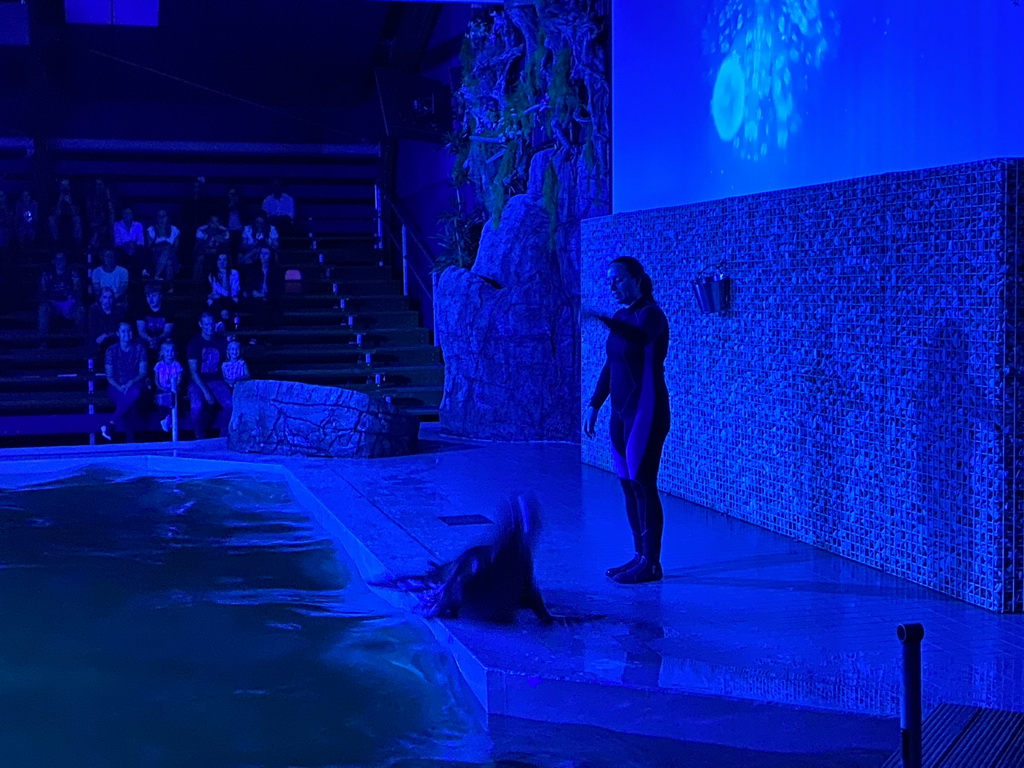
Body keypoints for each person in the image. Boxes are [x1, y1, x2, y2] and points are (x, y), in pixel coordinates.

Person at [583, 256, 670, 584]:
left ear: (637, 279)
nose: (611, 285)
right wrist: (594, 404)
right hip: (620, 415)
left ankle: (652, 563)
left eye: (617, 279)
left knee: (644, 485)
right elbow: (611, 364)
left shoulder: (652, 316)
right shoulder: (620, 316)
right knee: (626, 485)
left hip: (646, 413)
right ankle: (638, 555)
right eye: (609, 280)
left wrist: (600, 318)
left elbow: (634, 337)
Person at [100, 321, 149, 442]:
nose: (126, 333)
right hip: (116, 386)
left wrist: (131, 382)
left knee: (134, 393)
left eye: (129, 330)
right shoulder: (111, 350)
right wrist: (119, 386)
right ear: (118, 334)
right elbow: (110, 376)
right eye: (123, 331)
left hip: (135, 385)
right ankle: (131, 443)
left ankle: (111, 424)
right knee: (129, 402)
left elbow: (143, 372)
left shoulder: (139, 348)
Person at [187, 311, 232, 439]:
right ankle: (199, 435)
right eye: (206, 324)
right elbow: (194, 372)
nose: (209, 327)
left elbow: (228, 362)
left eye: (211, 324)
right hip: (197, 381)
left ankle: (224, 434)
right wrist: (206, 391)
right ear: (200, 324)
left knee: (230, 404)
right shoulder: (194, 343)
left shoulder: (221, 341)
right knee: (196, 406)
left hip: (217, 380)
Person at [38, 251, 85, 344]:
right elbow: (42, 293)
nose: (60, 261)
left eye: (62, 258)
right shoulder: (46, 274)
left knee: (81, 310)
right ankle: (42, 344)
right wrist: (50, 302)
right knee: (43, 309)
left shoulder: (73, 274)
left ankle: (79, 343)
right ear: (53, 261)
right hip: (52, 304)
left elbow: (78, 291)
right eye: (58, 259)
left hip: (69, 304)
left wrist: (73, 302)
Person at [153, 339, 183, 433]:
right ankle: (164, 419)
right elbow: (156, 379)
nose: (169, 353)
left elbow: (179, 379)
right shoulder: (158, 365)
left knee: (175, 399)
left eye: (172, 351)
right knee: (161, 401)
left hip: (174, 389)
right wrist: (161, 388)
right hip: (161, 389)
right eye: (167, 351)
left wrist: (173, 388)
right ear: (162, 352)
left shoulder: (177, 365)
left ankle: (171, 418)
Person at [136, 282, 175, 354]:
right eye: (148, 296)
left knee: (169, 345)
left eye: (154, 295)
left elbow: (167, 332)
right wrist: (150, 339)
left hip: (162, 338)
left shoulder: (168, 309)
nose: (151, 299)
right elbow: (141, 331)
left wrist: (158, 339)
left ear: (160, 296)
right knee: (138, 343)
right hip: (147, 339)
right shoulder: (141, 309)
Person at [86, 286, 124, 357]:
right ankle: (90, 368)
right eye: (105, 297)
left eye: (110, 297)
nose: (108, 300)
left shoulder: (118, 310)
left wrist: (107, 334)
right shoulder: (94, 309)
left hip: (113, 337)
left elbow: (118, 327)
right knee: (92, 348)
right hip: (97, 337)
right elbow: (92, 327)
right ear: (100, 299)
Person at [206, 252, 240, 329]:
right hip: (217, 302)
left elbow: (234, 292)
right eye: (219, 259)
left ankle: (221, 326)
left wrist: (224, 276)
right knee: (220, 306)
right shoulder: (212, 276)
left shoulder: (234, 273)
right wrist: (219, 295)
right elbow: (222, 292)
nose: (222, 262)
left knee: (223, 306)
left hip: (231, 300)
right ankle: (220, 326)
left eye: (224, 260)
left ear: (228, 262)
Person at [193, 214, 230, 282]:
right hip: (205, 251)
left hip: (219, 252)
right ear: (208, 222)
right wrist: (211, 235)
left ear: (219, 222)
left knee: (222, 258)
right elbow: (199, 245)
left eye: (216, 222)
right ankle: (197, 283)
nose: (214, 224)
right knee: (200, 258)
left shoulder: (224, 230)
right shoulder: (201, 229)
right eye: (212, 222)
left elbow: (226, 245)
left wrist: (217, 249)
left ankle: (222, 281)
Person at [147, 209, 181, 283]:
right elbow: (150, 247)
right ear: (156, 218)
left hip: (171, 253)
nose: (161, 219)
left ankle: (156, 276)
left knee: (167, 252)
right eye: (159, 216)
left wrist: (167, 248)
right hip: (156, 254)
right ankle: (170, 287)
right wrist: (162, 248)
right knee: (168, 262)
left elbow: (176, 247)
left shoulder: (174, 229)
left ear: (167, 217)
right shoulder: (151, 229)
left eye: (163, 216)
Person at [113, 208, 146, 273]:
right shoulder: (117, 225)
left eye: (129, 213)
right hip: (122, 248)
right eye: (125, 213)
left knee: (142, 252)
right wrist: (128, 244)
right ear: (122, 215)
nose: (127, 215)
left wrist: (133, 244)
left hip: (136, 248)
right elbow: (117, 242)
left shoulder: (138, 225)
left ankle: (140, 274)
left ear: (132, 215)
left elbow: (141, 241)